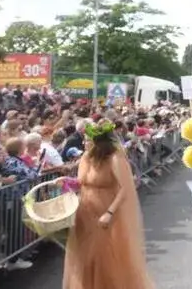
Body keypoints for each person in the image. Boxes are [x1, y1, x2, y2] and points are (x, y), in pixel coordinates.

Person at [56, 119, 153, 289]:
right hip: (85, 213)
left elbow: (125, 189)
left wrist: (110, 213)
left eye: (88, 140)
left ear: (99, 143)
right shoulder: (86, 157)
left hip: (106, 214)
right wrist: (66, 181)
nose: (84, 143)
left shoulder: (115, 158)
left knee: (104, 258)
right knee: (84, 258)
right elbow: (81, 182)